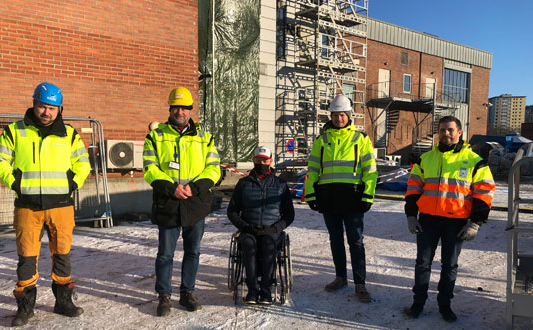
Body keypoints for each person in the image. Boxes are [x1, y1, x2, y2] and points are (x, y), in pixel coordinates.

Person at [0, 82, 91, 326]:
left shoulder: (70, 134)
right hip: (28, 206)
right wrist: (16, 183)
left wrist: (71, 184)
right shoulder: (15, 130)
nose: (46, 112)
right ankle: (25, 307)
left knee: (62, 255)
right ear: (34, 104)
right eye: (42, 106)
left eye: (52, 108)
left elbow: (83, 164)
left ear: (60, 109)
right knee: (26, 258)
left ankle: (63, 302)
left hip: (61, 205)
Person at [403, 116, 495, 322]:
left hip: (457, 222)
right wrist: (411, 215)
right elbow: (413, 189)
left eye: (450, 130)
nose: (446, 133)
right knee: (422, 264)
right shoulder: (425, 159)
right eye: (442, 130)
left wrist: (475, 222)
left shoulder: (474, 161)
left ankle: (445, 305)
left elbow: (485, 192)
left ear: (459, 133)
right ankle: (418, 303)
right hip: (428, 220)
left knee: (450, 265)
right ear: (438, 132)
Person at [142, 87, 221, 317]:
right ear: (170, 109)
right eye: (176, 107)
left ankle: (187, 292)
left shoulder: (205, 137)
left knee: (193, 252)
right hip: (169, 202)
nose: (180, 111)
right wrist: (171, 188)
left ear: (190, 110)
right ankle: (164, 296)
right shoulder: (155, 136)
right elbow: (150, 169)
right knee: (165, 254)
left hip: (195, 203)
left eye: (185, 107)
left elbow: (213, 169)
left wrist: (193, 188)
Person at [304, 95, 377, 303]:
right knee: (335, 239)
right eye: (336, 115)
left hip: (353, 198)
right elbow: (314, 169)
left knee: (356, 241)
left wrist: (367, 195)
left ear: (349, 116)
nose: (339, 119)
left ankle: (360, 284)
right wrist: (311, 194)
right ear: (331, 116)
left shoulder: (360, 139)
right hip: (329, 198)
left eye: (342, 115)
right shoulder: (322, 140)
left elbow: (370, 170)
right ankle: (340, 278)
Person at [227, 146, 295, 304]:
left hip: (271, 230)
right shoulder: (243, 184)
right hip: (249, 229)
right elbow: (232, 212)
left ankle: (265, 290)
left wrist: (276, 228)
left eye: (265, 160)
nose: (262, 163)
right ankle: (252, 290)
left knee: (269, 244)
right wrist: (245, 227)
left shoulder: (281, 184)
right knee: (248, 245)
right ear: (253, 160)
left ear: (271, 161)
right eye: (258, 160)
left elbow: (289, 215)